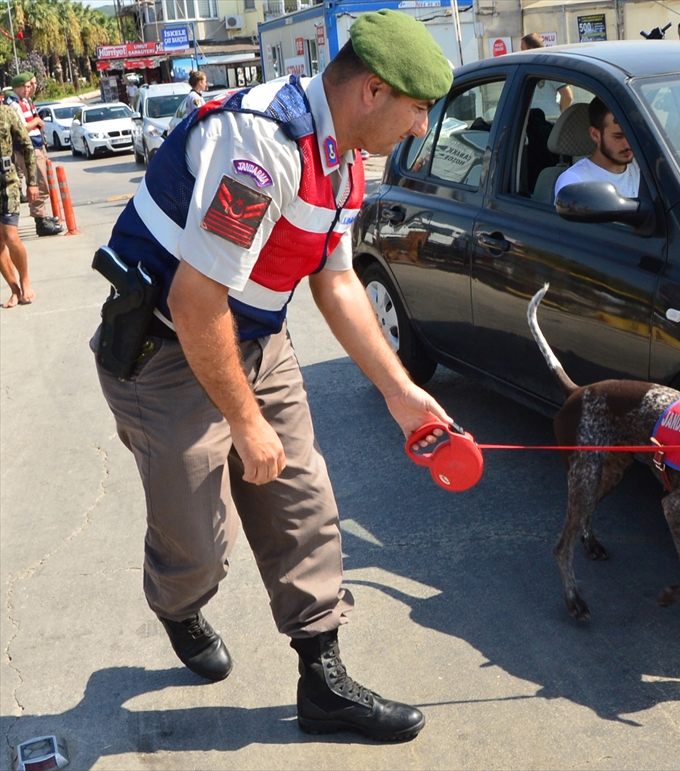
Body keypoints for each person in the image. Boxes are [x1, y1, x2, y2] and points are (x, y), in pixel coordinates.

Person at [92, 10, 454, 743]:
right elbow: (196, 304)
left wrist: (399, 390)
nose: (420, 129)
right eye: (417, 110)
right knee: (198, 543)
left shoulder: (346, 159)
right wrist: (246, 422)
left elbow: (337, 283)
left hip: (255, 340)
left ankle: (322, 680)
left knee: (303, 503)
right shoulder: (261, 146)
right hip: (166, 351)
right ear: (373, 93)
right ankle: (177, 601)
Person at [5, 73, 63, 237]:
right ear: (16, 87)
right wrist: (37, 122)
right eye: (24, 86)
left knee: (41, 182)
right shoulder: (14, 104)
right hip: (27, 148)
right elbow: (22, 128)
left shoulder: (25, 101)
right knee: (37, 183)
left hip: (35, 145)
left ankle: (43, 217)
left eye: (29, 86)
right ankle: (40, 221)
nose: (27, 89)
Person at [554, 97, 640, 199]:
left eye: (632, 135)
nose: (628, 145)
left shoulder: (644, 169)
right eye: (618, 136)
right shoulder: (575, 181)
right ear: (595, 135)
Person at [0, 102, 38, 307]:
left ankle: (25, 280)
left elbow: (27, 146)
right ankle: (14, 290)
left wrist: (32, 182)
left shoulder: (7, 112)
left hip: (7, 183)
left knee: (10, 236)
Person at [520, 33, 573, 113]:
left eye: (522, 49)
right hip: (532, 120)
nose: (521, 53)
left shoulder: (549, 68)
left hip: (549, 121)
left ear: (530, 49)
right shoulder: (527, 69)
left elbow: (567, 96)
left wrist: (561, 116)